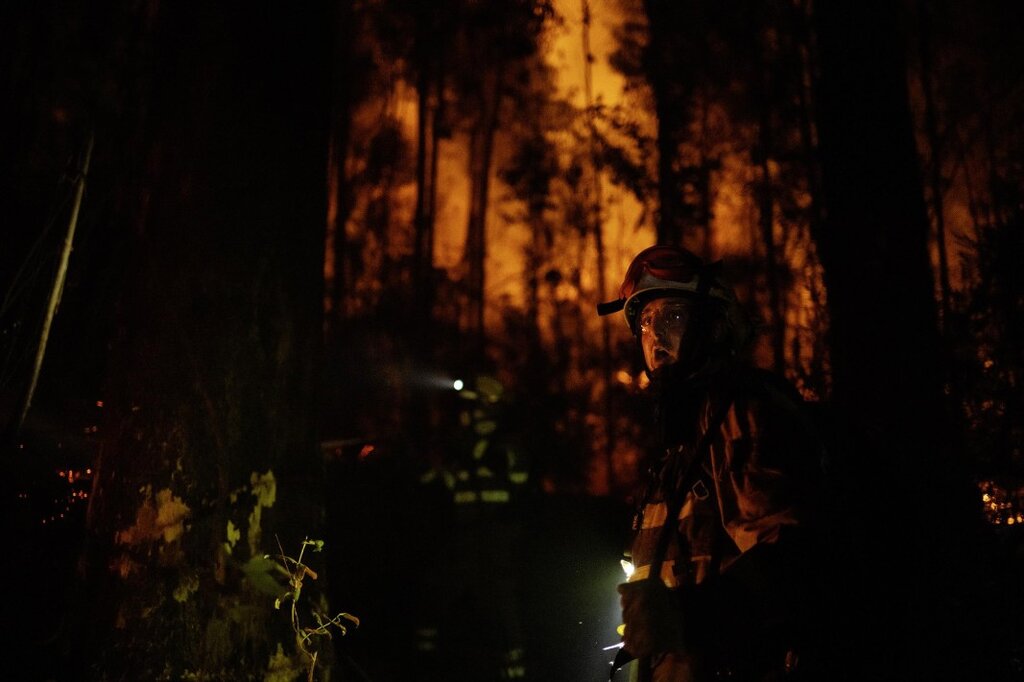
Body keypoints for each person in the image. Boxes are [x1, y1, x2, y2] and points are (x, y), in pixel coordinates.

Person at [598, 245, 826, 681]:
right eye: (645, 322)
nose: (655, 335)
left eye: (674, 317)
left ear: (716, 327)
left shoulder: (738, 412)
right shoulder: (682, 439)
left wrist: (688, 614)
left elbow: (794, 558)